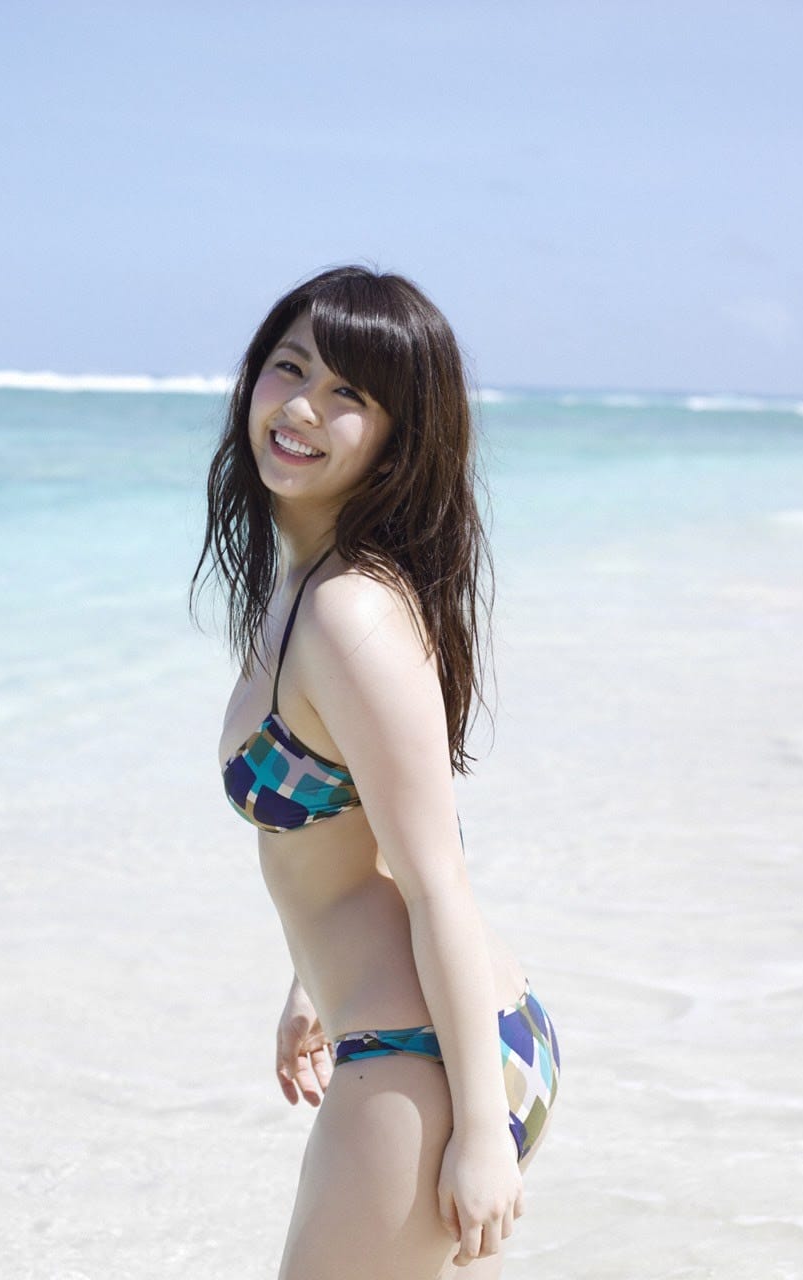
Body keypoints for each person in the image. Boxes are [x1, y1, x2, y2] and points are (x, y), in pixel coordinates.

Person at [192, 266, 559, 1279]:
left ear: (399, 436)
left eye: (349, 392)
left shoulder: (349, 611)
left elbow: (437, 875)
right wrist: (309, 982)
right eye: (290, 368)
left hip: (427, 1059)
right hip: (435, 1035)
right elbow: (373, 828)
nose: (302, 407)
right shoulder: (306, 581)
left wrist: (480, 1132)